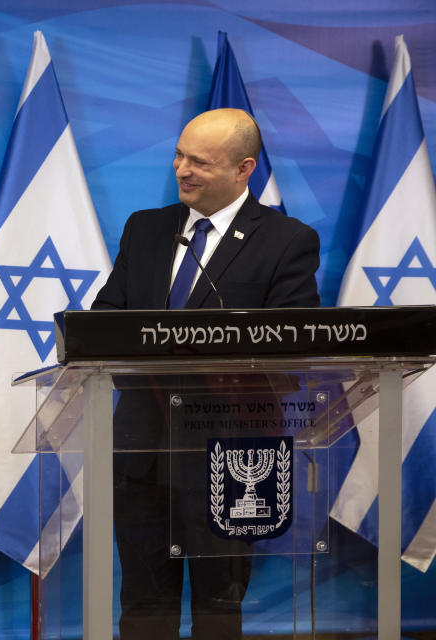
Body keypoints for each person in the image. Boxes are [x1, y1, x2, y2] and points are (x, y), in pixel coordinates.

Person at [92, 108, 320, 639]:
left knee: (219, 609)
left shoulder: (286, 240)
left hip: (233, 458)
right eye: (178, 155)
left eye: (199, 162)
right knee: (143, 607)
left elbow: (291, 353)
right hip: (143, 451)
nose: (182, 170)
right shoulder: (146, 229)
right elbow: (104, 323)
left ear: (244, 169)